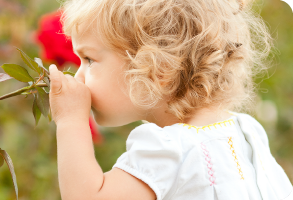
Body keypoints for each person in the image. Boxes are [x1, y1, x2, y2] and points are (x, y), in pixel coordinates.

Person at [48, 0, 293, 199]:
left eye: (89, 59)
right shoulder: (247, 131)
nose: (78, 76)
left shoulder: (171, 150)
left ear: (158, 68)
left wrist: (70, 121)